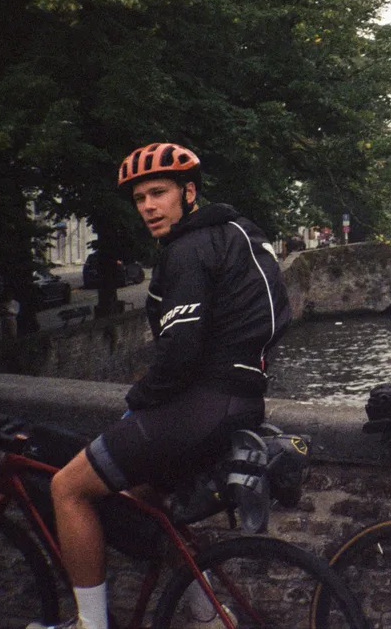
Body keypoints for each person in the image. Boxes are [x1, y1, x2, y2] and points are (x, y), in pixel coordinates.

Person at [30, 143, 291, 629]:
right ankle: (210, 616)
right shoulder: (234, 235)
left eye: (159, 193)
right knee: (150, 508)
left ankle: (90, 624)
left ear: (188, 193)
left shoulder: (188, 250)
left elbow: (179, 353)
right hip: (242, 401)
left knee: (68, 488)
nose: (148, 206)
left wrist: (136, 404)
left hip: (199, 408)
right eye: (140, 198)